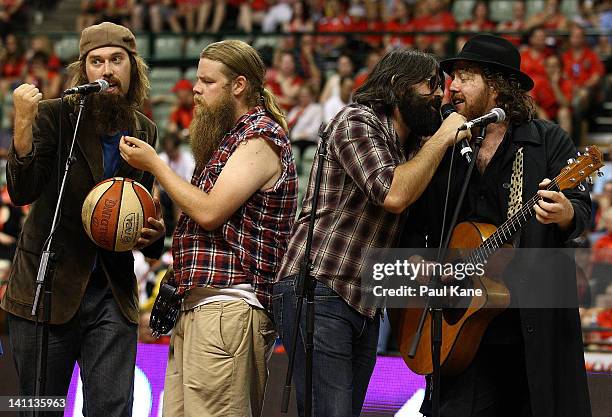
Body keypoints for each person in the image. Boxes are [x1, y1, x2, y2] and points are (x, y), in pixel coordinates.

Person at [403, 34, 591, 417]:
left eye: (465, 76)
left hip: (530, 324)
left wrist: (565, 213)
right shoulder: (443, 144)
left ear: (497, 85)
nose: (452, 86)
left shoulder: (547, 140)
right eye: (452, 77)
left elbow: (581, 208)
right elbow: (414, 222)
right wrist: (417, 261)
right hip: (459, 326)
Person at [273, 48, 469, 417]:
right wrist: (443, 139)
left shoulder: (413, 145)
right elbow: (393, 193)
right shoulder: (356, 122)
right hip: (319, 287)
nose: (440, 96)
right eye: (430, 85)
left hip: (363, 301)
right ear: (397, 86)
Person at [118, 39, 298, 417]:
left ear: (239, 85)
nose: (195, 89)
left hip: (229, 309)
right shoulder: (227, 139)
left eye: (206, 81)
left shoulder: (259, 138)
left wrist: (155, 164)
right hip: (199, 307)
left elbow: (211, 212)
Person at [2, 22, 165, 417]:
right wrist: (23, 125)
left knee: (112, 409)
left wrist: (152, 234)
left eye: (116, 60)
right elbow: (23, 191)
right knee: (38, 408)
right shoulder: (57, 118)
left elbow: (137, 211)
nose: (106, 70)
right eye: (96, 61)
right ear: (84, 70)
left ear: (133, 68)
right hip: (47, 290)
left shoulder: (145, 130)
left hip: (111, 291)